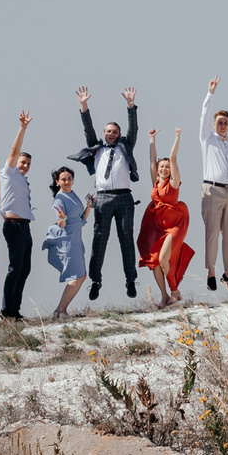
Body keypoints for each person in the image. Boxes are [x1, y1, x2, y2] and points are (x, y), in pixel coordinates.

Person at [70, 86, 142, 303]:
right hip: (102, 198)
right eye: (108, 131)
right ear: (104, 134)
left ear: (119, 134)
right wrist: (83, 105)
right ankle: (96, 281)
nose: (111, 134)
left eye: (114, 131)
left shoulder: (125, 146)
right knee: (99, 240)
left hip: (124, 198)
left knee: (126, 239)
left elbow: (134, 128)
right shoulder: (97, 148)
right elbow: (87, 129)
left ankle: (130, 279)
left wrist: (130, 105)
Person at [194, 79, 228, 296]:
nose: (222, 125)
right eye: (219, 122)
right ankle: (211, 272)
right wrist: (210, 94)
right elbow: (204, 116)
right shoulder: (207, 139)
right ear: (214, 124)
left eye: (225, 122)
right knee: (212, 233)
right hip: (212, 190)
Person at [136, 133, 195, 308]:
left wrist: (177, 138)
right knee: (154, 262)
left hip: (176, 224)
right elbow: (151, 159)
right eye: (161, 167)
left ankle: (175, 290)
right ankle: (164, 296)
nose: (163, 169)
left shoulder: (174, 183)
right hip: (158, 225)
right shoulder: (156, 182)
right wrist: (151, 139)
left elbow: (173, 157)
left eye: (167, 167)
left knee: (163, 259)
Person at [0, 113, 35, 322]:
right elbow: (13, 152)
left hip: (25, 226)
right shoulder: (9, 173)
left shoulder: (23, 180)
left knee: (25, 268)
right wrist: (22, 129)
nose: (24, 166)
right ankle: (6, 310)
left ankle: (14, 310)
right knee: (15, 268)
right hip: (13, 226)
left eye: (28, 163)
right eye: (22, 162)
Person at [40, 166, 90, 319]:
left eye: (69, 179)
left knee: (81, 276)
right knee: (77, 276)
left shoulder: (73, 195)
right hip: (68, 241)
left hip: (76, 239)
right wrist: (62, 218)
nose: (67, 181)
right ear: (57, 182)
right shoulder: (59, 199)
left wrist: (89, 205)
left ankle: (61, 310)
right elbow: (61, 224)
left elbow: (82, 219)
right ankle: (59, 311)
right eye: (63, 179)